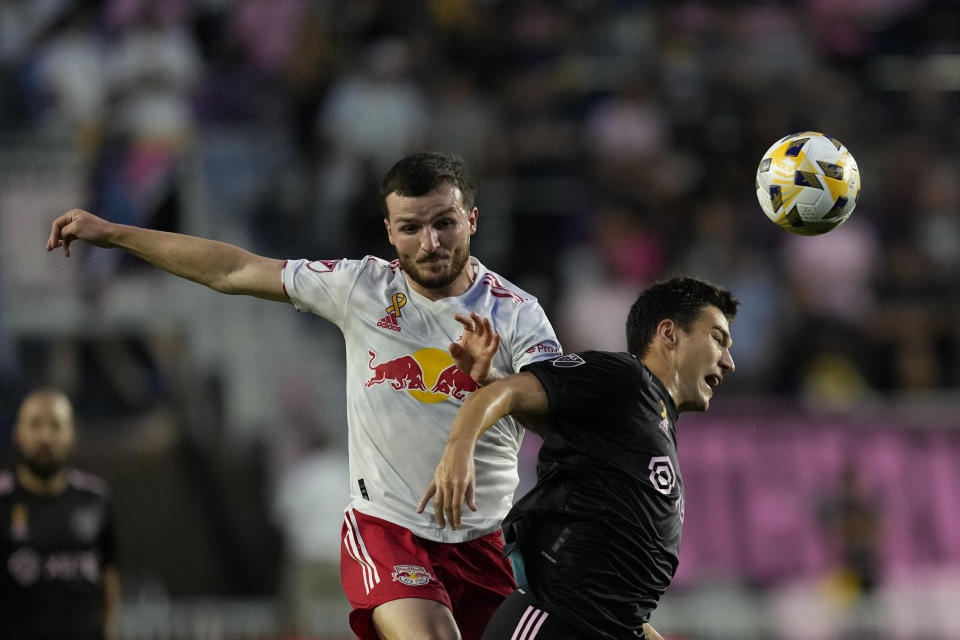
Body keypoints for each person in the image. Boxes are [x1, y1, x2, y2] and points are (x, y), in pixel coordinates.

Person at [47, 152, 562, 640]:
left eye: (443, 223)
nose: (429, 242)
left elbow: (560, 421)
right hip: (389, 528)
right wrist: (115, 234)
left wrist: (490, 382)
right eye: (410, 227)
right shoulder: (361, 287)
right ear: (390, 232)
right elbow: (233, 271)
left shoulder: (517, 314)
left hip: (484, 542)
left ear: (471, 219)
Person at [419, 277, 738, 640]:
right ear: (669, 333)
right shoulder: (626, 379)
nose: (728, 361)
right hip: (553, 622)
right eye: (717, 338)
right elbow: (508, 394)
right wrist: (458, 452)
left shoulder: (652, 424)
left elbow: (617, 595)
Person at [1, 388, 120, 640]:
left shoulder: (95, 499)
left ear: (72, 435)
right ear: (17, 434)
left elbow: (108, 577)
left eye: (55, 426)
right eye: (35, 424)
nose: (45, 436)